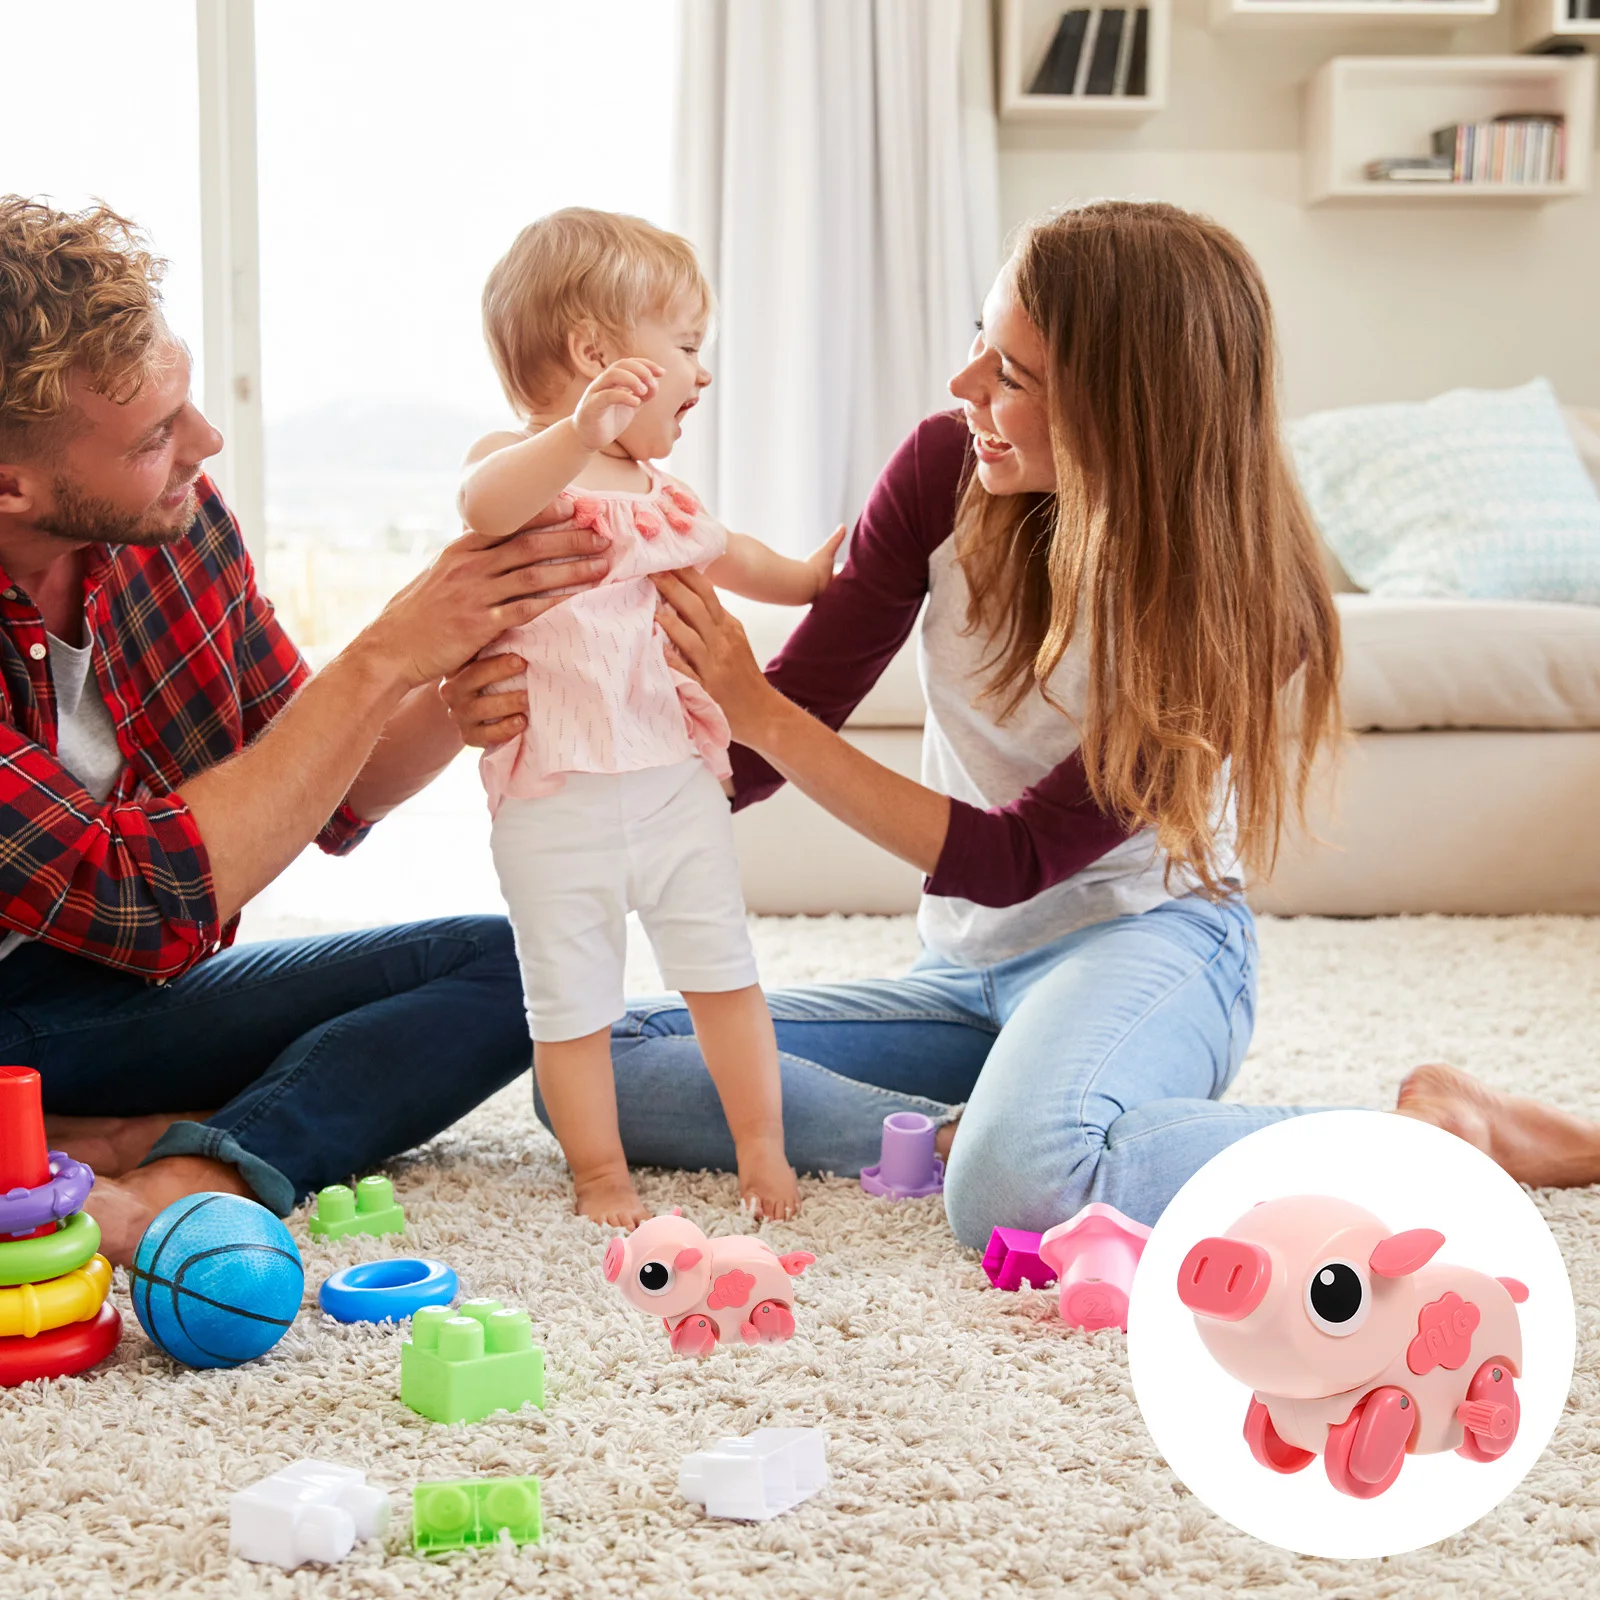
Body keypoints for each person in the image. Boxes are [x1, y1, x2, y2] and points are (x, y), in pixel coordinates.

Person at [451, 199, 1600, 1248]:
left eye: (1011, 370)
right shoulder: (941, 469)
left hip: (1147, 945)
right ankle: (990, 1126)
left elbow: (1015, 858)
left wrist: (747, 704)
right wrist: (564, 709)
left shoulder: (1228, 603)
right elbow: (757, 754)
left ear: (1122, 409)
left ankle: (1426, 1135)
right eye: (977, 340)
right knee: (598, 1069)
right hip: (964, 974)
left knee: (1015, 1196)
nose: (963, 384)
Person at [0, 197, 610, 1265]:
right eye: (155, 436)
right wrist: (381, 654)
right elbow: (144, 904)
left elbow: (329, 778)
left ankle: (174, 1160)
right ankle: (107, 1146)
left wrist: (445, 676)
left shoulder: (172, 528)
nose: (205, 440)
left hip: (94, 997)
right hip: (49, 985)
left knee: (518, 964)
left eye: (183, 399)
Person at [458, 210, 841, 1227]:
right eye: (684, 348)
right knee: (572, 1001)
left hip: (672, 781)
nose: (700, 375)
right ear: (595, 357)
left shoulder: (660, 497)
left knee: (723, 973)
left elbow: (733, 554)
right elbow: (485, 504)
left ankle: (762, 1151)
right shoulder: (524, 466)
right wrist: (573, 435)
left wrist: (806, 577)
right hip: (553, 793)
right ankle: (600, 1176)